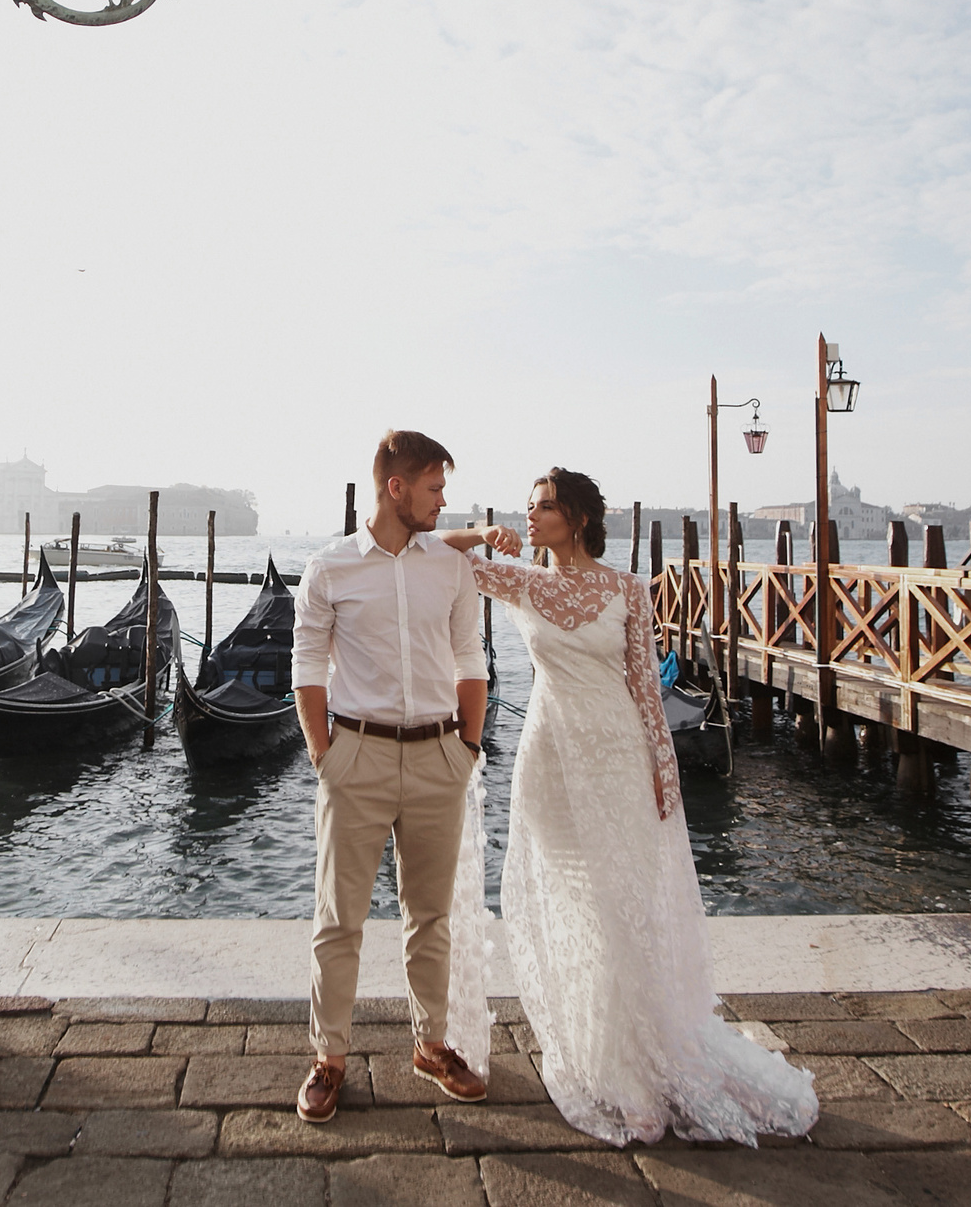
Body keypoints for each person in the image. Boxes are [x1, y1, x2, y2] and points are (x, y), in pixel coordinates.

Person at [437, 468, 818, 1147]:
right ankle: (610, 1068)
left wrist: (663, 770)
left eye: (544, 507)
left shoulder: (628, 590)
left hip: (616, 757)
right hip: (550, 760)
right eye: (529, 507)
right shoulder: (523, 580)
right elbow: (435, 551)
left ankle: (644, 1071)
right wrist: (480, 531)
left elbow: (645, 686)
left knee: (625, 910)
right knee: (579, 910)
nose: (532, 517)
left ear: (578, 517)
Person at [291, 430, 492, 1124]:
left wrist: (467, 747)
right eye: (434, 487)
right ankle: (330, 1058)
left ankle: (432, 1044)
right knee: (339, 918)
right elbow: (306, 669)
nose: (443, 501)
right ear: (396, 487)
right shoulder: (329, 567)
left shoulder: (450, 567)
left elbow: (472, 658)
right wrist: (326, 755)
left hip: (439, 757)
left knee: (430, 915)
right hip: (359, 757)